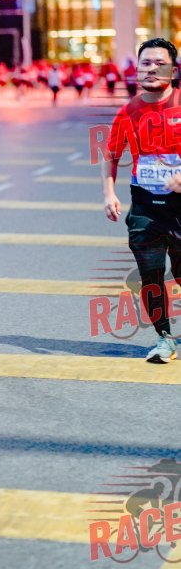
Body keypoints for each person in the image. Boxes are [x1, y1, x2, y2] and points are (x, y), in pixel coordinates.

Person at [102, 37, 181, 363]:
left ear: (173, 71)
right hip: (145, 207)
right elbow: (111, 154)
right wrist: (109, 193)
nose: (151, 69)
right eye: (145, 63)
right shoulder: (128, 111)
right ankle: (165, 339)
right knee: (150, 276)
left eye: (159, 63)